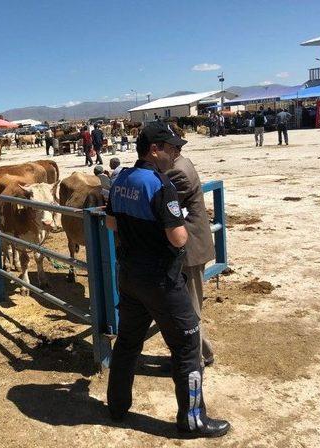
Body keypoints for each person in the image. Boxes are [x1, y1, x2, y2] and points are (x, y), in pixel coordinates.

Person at [105, 121, 229, 438]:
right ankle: (192, 420)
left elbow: (110, 223)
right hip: (160, 278)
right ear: (154, 150)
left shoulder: (120, 180)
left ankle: (117, 406)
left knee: (128, 342)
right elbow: (176, 238)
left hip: (129, 274)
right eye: (171, 148)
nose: (175, 153)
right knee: (187, 346)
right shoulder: (160, 185)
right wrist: (181, 228)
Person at [166, 146, 216, 367]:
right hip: (193, 245)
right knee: (189, 304)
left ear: (170, 150)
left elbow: (162, 206)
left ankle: (193, 360)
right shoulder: (182, 164)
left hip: (189, 248)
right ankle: (204, 352)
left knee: (190, 306)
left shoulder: (177, 172)